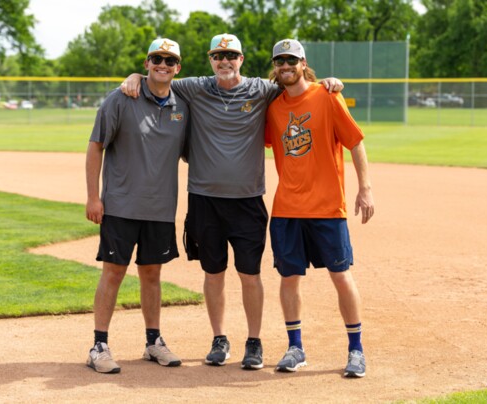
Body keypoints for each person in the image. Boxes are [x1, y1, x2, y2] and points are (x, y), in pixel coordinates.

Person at [121, 33, 344, 370]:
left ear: (242, 59)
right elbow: (160, 80)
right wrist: (136, 76)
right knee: (213, 273)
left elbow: (295, 81)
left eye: (231, 55)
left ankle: (254, 342)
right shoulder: (194, 87)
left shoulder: (262, 90)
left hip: (247, 199)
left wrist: (326, 81)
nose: (224, 61)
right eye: (218, 55)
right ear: (211, 60)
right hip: (205, 199)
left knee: (249, 273)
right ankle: (219, 338)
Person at [264, 39, 375, 377]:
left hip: (328, 208)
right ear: (275, 66)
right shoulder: (273, 107)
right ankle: (295, 347)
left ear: (303, 62)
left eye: (291, 60)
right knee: (289, 278)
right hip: (287, 208)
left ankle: (356, 351)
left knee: (341, 275)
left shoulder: (327, 96)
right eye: (280, 61)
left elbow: (355, 142)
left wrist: (365, 189)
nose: (286, 66)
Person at [85, 38, 189, 374]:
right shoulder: (121, 97)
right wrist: (93, 196)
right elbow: (96, 146)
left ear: (178, 68)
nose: (163, 65)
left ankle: (153, 342)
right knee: (113, 273)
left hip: (160, 208)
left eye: (169, 61)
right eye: (156, 59)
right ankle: (99, 345)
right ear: (146, 64)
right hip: (120, 205)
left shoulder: (182, 106)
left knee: (152, 275)